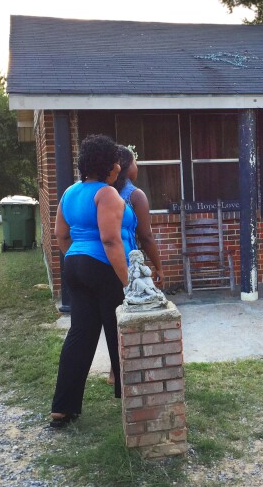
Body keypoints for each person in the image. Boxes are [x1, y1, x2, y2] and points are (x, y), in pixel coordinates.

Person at [49, 134, 129, 429]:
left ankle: (62, 409)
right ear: (108, 163)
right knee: (119, 331)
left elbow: (60, 234)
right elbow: (110, 240)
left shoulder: (69, 192)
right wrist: (128, 282)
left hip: (73, 265)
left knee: (80, 335)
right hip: (102, 266)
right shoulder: (107, 194)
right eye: (116, 160)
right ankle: (129, 397)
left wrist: (77, 257)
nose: (119, 166)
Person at [108, 146, 166, 384]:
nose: (137, 166)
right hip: (129, 260)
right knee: (130, 313)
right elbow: (146, 236)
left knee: (111, 315)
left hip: (106, 258)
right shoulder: (135, 195)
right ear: (127, 166)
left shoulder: (104, 191)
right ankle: (127, 369)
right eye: (135, 161)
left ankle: (114, 371)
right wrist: (159, 266)